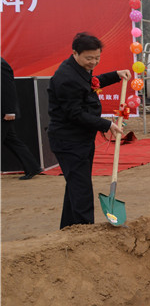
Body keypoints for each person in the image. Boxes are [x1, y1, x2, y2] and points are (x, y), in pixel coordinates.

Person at [47, 32, 131, 229]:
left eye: (97, 57)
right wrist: (106, 124)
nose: (93, 62)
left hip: (80, 139)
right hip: (68, 141)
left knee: (75, 186)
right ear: (75, 53)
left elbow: (91, 84)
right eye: (89, 58)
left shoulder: (78, 70)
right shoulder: (66, 78)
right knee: (82, 188)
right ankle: (85, 232)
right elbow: (74, 113)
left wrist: (115, 75)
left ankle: (69, 228)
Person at [2, 57, 42, 179]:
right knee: (12, 141)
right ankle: (33, 167)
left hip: (4, 113)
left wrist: (9, 111)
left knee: (12, 141)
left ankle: (33, 167)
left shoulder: (1, 65)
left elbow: (7, 88)